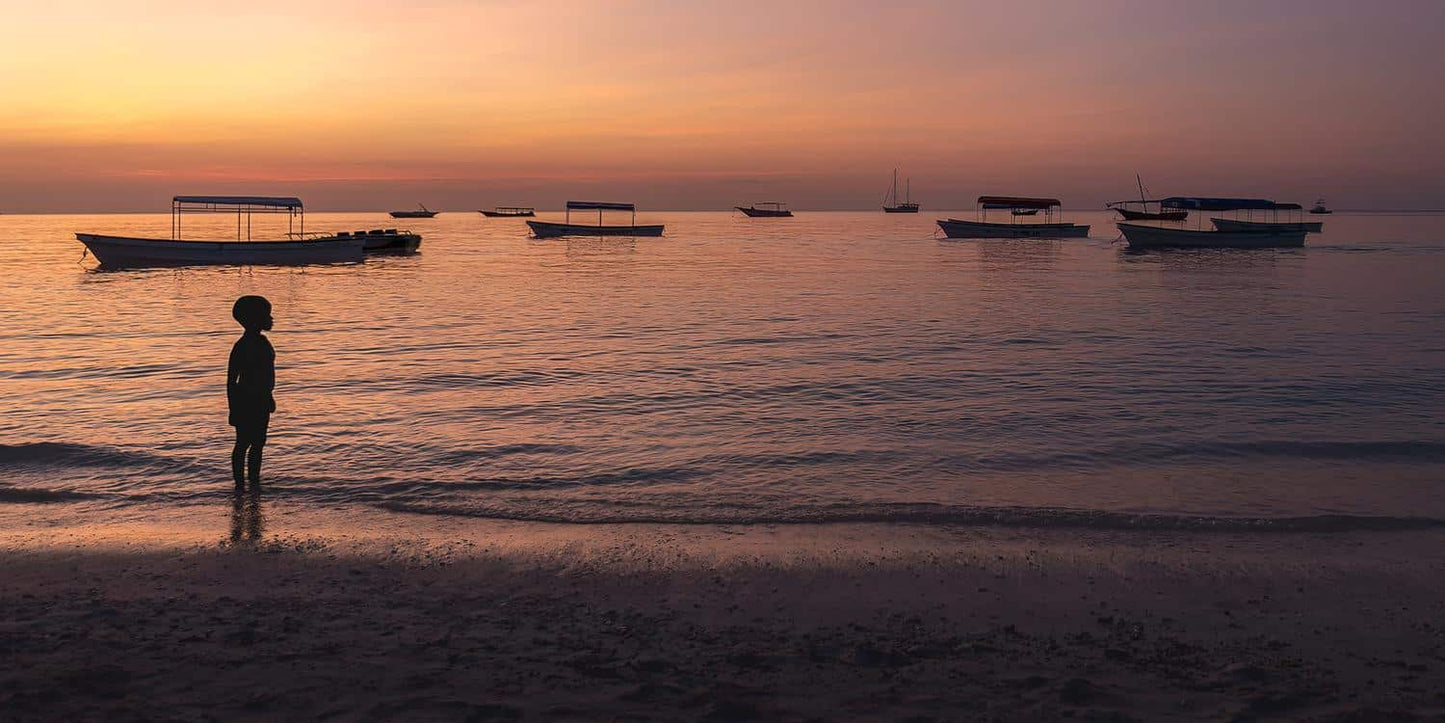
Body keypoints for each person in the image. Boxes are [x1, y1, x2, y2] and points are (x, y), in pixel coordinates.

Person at [228, 295, 276, 488]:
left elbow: (265, 374)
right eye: (267, 315)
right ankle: (240, 485)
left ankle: (254, 483)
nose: (271, 319)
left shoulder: (262, 342)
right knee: (243, 443)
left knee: (258, 443)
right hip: (246, 401)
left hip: (262, 400)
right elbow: (231, 380)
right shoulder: (242, 346)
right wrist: (233, 409)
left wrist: (269, 395)